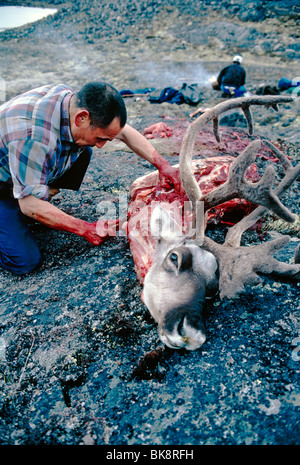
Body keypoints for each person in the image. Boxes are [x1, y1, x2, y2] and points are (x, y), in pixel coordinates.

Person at [0, 82, 182, 275]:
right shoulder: (35, 139)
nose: (102, 145)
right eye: (101, 138)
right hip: (4, 183)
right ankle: (22, 202)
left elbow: (124, 131)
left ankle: (32, 195)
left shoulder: (73, 104)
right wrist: (86, 228)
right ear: (82, 118)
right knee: (25, 261)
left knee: (85, 148)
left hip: (16, 163)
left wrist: (163, 165)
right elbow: (29, 205)